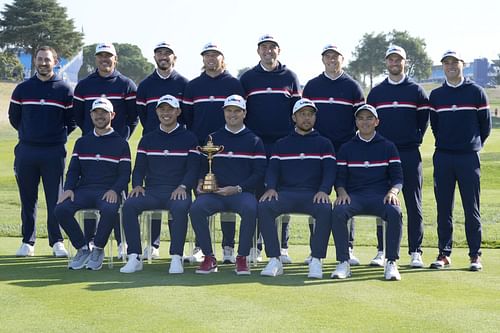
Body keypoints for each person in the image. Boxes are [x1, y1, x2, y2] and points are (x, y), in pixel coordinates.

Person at [120, 95, 199, 274]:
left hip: (177, 191)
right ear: (156, 111)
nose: (166, 113)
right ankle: (134, 256)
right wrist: (138, 185)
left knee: (180, 208)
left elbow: (193, 170)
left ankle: (176, 257)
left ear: (178, 111)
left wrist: (184, 187)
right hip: (152, 191)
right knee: (130, 205)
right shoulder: (147, 139)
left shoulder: (189, 138)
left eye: (170, 109)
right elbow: (139, 168)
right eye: (162, 109)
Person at [366, 45, 430, 268]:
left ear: (405, 62)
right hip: (383, 154)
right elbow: (369, 121)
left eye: (398, 60)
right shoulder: (376, 93)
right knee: (385, 202)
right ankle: (382, 250)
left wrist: (415, 138)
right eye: (391, 60)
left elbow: (423, 121)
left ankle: (415, 251)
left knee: (413, 203)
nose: (394, 63)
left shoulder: (416, 91)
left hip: (409, 152)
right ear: (386, 62)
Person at [240, 34, 301, 263]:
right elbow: (241, 111)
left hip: (284, 144)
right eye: (264, 48)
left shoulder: (290, 76)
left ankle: (282, 246)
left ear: (279, 50)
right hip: (255, 144)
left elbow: (297, 112)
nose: (268, 51)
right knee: (256, 192)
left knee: (281, 192)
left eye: (272, 47)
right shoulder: (247, 78)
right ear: (258, 52)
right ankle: (255, 244)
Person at [8, 46, 75, 257]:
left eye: (47, 60)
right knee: (28, 199)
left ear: (56, 62)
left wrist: (52, 136)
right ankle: (28, 241)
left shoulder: (64, 90)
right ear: (34, 62)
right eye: (40, 59)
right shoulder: (22, 89)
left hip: (54, 151)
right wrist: (31, 134)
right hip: (27, 150)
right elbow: (14, 118)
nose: (43, 63)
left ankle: (57, 242)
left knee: (55, 198)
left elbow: (71, 122)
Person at [73, 42, 138, 258]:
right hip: (91, 146)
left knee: (118, 193)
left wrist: (119, 139)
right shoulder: (84, 86)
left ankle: (122, 242)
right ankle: (90, 241)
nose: (104, 59)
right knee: (89, 187)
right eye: (100, 56)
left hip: (117, 148)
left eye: (108, 56)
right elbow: (78, 116)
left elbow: (134, 117)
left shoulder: (126, 84)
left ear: (115, 59)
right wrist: (94, 138)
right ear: (96, 59)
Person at [428, 50, 491, 271]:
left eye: (454, 62)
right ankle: (444, 254)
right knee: (444, 208)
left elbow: (485, 127)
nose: (450, 66)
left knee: (471, 208)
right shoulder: (436, 96)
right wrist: (448, 143)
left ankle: (475, 256)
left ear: (463, 65)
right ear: (443, 67)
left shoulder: (476, 92)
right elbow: (435, 126)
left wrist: (472, 145)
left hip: (468, 157)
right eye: (446, 63)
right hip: (443, 156)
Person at [189, 95, 266, 275]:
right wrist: (201, 182)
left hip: (241, 193)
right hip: (214, 194)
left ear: (244, 113)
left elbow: (259, 173)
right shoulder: (212, 138)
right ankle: (208, 257)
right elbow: (202, 167)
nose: (232, 114)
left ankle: (242, 258)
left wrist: (238, 188)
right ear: (224, 112)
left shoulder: (254, 140)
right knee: (196, 209)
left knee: (251, 209)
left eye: (237, 111)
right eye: (229, 110)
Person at [302, 44, 365, 265]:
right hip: (317, 148)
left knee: (344, 197)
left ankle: (347, 247)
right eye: (327, 57)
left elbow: (360, 120)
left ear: (342, 59)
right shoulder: (312, 86)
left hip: (345, 149)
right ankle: (314, 249)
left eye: (335, 57)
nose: (331, 60)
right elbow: (305, 116)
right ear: (323, 60)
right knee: (315, 196)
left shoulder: (353, 87)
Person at [258, 99, 335, 277]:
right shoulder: (281, 143)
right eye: (302, 114)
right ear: (294, 117)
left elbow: (330, 172)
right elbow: (273, 170)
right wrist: (270, 188)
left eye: (310, 115)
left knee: (325, 209)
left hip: (313, 195)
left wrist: (324, 190)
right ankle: (275, 259)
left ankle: (316, 259)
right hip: (286, 194)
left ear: (315, 118)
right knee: (264, 206)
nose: (306, 118)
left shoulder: (324, 143)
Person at [182, 42, 244, 264]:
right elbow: (188, 117)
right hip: (201, 148)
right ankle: (201, 246)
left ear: (222, 58)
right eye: (207, 55)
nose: (210, 58)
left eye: (215, 55)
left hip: (229, 146)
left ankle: (228, 246)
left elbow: (240, 113)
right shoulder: (193, 86)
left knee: (228, 193)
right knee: (203, 194)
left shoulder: (234, 83)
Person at [55, 98, 131, 270]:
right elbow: (73, 170)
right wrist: (68, 189)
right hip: (84, 190)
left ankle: (97, 248)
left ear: (112, 115)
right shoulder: (82, 142)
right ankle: (82, 248)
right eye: (96, 112)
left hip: (107, 191)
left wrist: (115, 190)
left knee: (110, 208)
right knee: (60, 209)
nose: (100, 116)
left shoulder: (121, 144)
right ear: (91, 115)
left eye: (104, 113)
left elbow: (125, 174)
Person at [330, 104, 404, 281]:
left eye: (369, 118)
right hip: (354, 196)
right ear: (355, 122)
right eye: (361, 118)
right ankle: (343, 262)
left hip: (380, 196)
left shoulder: (388, 146)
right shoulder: (346, 148)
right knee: (339, 211)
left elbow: (398, 177)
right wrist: (341, 192)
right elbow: (339, 178)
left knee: (395, 211)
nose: (365, 122)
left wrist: (393, 192)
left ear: (377, 122)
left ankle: (391, 262)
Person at [135, 42, 189, 260]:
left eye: (168, 53)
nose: (163, 57)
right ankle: (154, 244)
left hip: (179, 144)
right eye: (159, 53)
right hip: (152, 145)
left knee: (181, 194)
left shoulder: (184, 83)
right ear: (155, 57)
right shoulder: (146, 85)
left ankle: (185, 246)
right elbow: (140, 115)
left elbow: (188, 116)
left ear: (175, 58)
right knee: (153, 190)